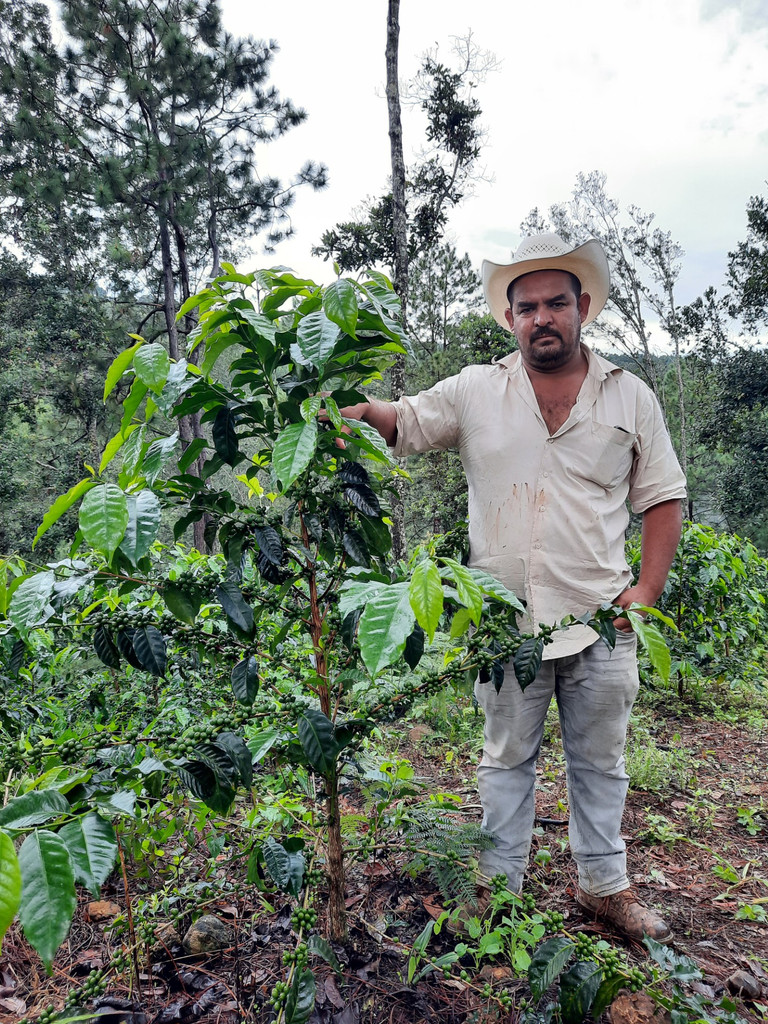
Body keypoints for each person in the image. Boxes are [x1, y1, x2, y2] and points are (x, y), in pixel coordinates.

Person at [337, 233, 686, 943]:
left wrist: (645, 592)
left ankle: (603, 886)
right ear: (508, 317)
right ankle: (499, 892)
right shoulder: (475, 390)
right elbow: (403, 421)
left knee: (601, 762)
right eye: (526, 307)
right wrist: (351, 413)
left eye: (557, 302)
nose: (542, 318)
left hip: (601, 619)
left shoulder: (630, 396)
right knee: (505, 760)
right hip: (504, 623)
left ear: (583, 306)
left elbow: (664, 498)